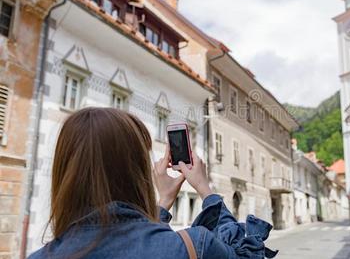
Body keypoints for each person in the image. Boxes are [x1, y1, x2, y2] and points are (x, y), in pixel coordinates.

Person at [29, 107, 277, 259]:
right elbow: (244, 253)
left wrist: (164, 202)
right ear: (137, 172)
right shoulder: (193, 247)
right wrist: (205, 190)